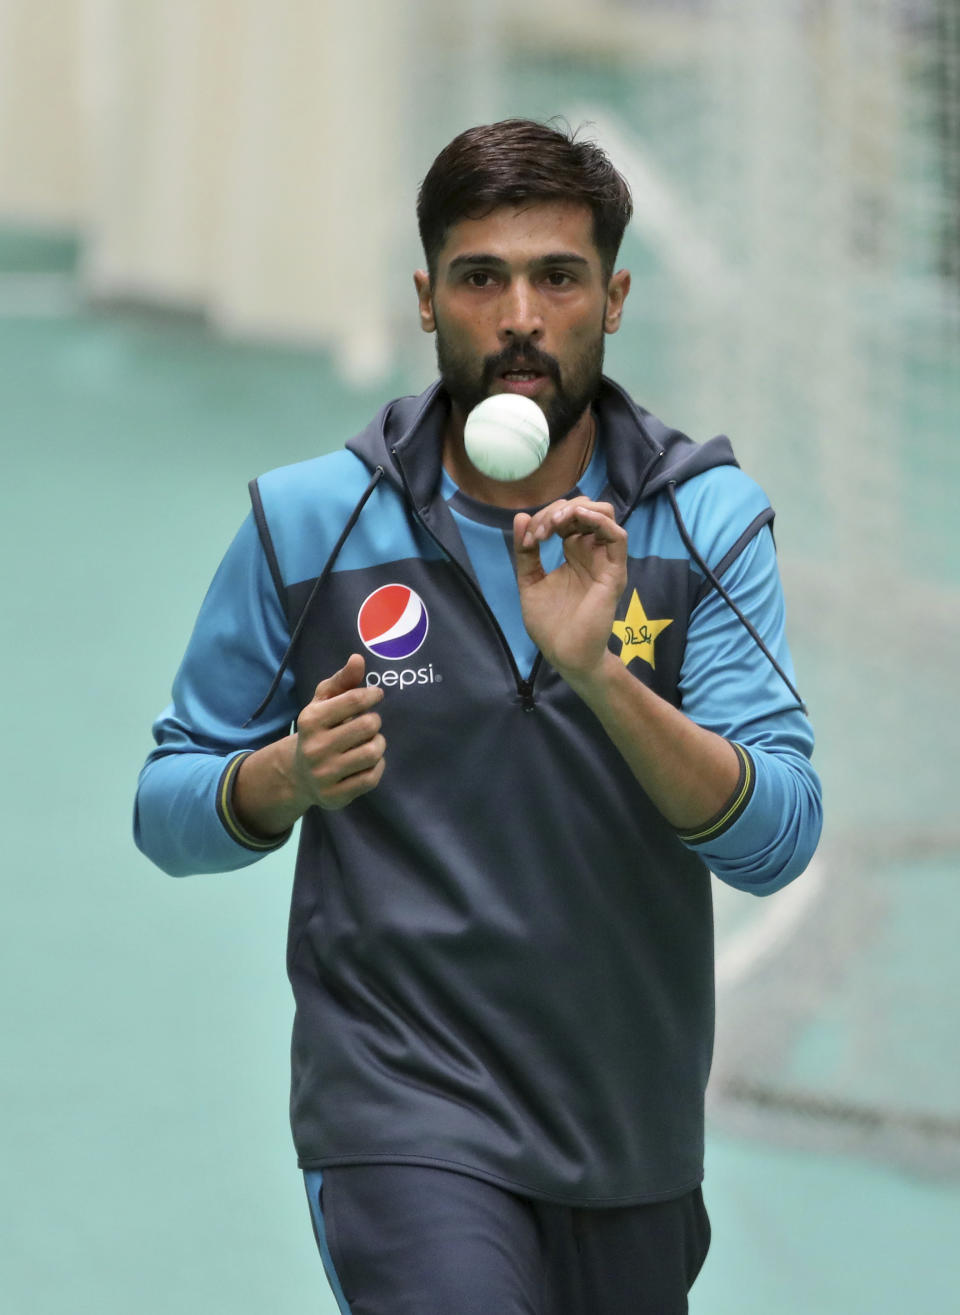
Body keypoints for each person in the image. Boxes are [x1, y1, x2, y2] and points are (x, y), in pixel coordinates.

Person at [135, 119, 822, 1314]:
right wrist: (281, 779)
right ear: (425, 298)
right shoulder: (315, 523)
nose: (518, 317)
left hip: (627, 1135)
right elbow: (166, 803)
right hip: (399, 1109)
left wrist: (607, 677)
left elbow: (780, 837)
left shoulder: (707, 524)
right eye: (480, 277)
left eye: (556, 277)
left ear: (611, 299)